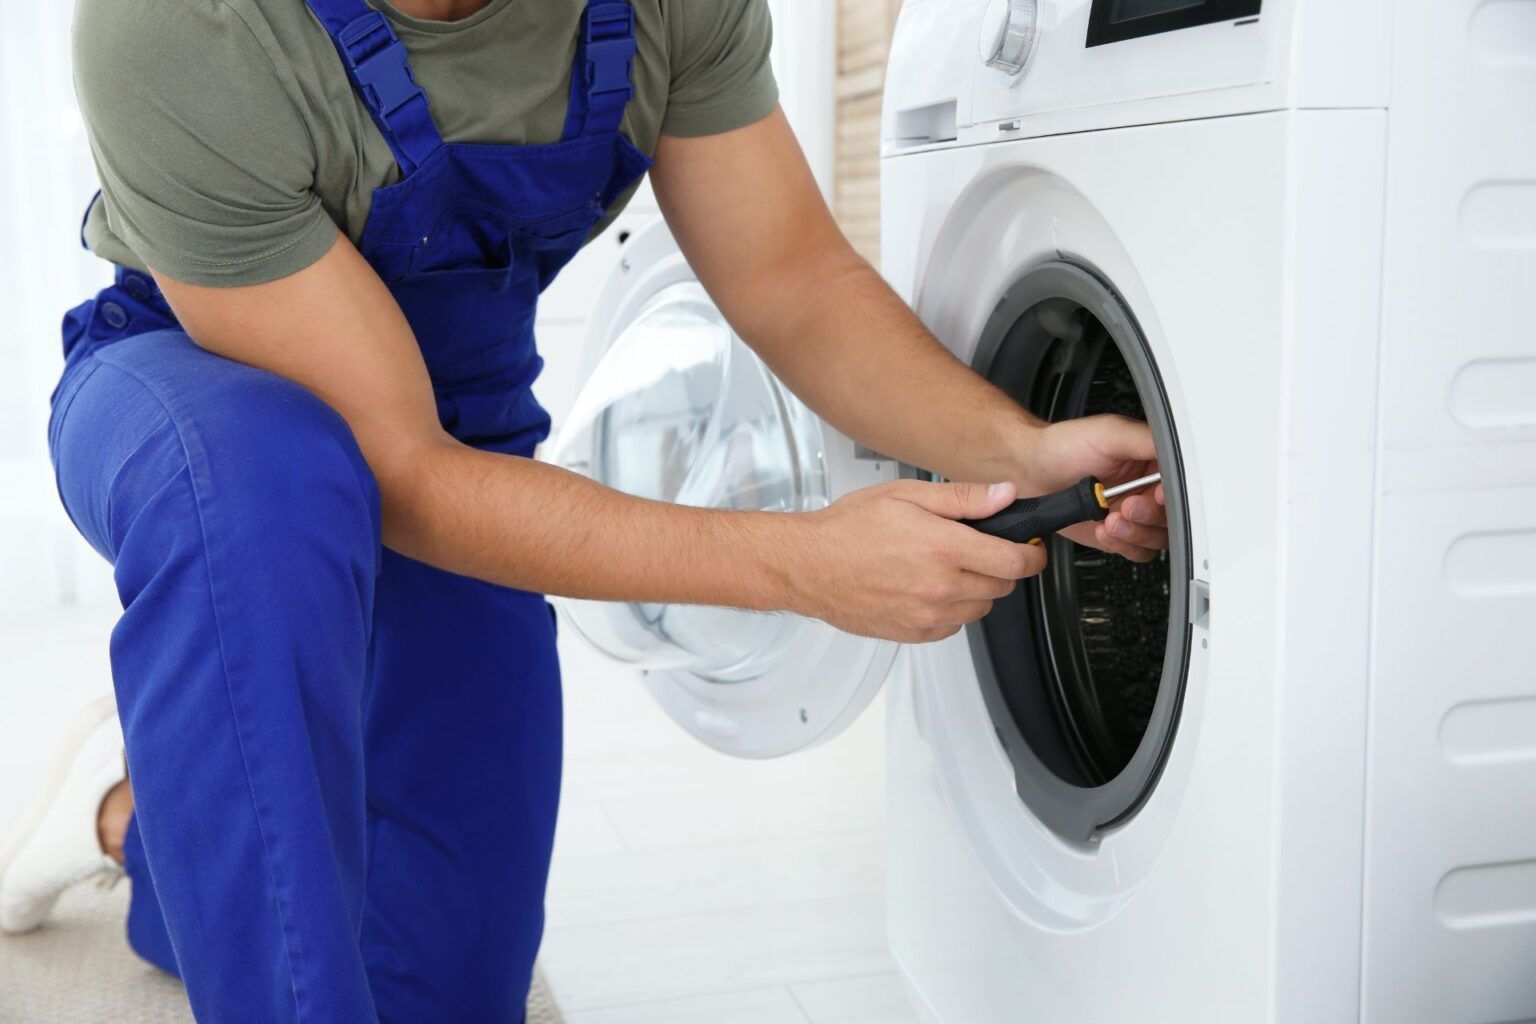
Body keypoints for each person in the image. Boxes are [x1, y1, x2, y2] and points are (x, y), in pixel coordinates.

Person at [0, 0, 1170, 1020]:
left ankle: (138, 822)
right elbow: (393, 465)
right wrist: (798, 565)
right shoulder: (183, 23)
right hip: (201, 397)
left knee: (448, 984)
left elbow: (791, 280)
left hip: (462, 423)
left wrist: (1025, 447)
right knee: (267, 486)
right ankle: (220, 731)